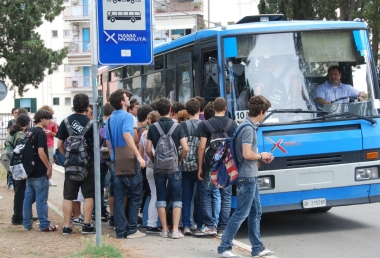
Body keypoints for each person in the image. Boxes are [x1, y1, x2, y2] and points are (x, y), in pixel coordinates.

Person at [217, 95, 274, 258]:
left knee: (256, 212)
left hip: (250, 176)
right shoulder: (248, 128)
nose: (265, 116)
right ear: (261, 111)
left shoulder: (244, 126)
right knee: (242, 213)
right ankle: (224, 247)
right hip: (247, 177)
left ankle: (257, 247)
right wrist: (261, 155)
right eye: (265, 113)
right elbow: (247, 153)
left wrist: (261, 156)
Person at [106, 89, 146, 239]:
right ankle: (132, 229)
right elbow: (127, 135)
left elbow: (109, 142)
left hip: (116, 160)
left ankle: (120, 231)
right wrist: (138, 156)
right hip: (129, 160)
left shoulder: (109, 119)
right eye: (126, 98)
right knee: (136, 194)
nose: (129, 99)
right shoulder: (128, 117)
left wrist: (112, 157)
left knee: (118, 195)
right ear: (122, 102)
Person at [146, 98, 188, 239]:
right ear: (170, 110)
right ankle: (175, 230)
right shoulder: (177, 127)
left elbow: (147, 149)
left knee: (160, 197)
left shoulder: (153, 127)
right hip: (174, 167)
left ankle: (164, 229)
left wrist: (153, 160)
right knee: (177, 197)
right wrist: (180, 159)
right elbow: (186, 148)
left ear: (158, 111)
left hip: (159, 168)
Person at [197, 97, 237, 236]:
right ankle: (223, 227)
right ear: (225, 108)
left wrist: (200, 167)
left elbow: (202, 147)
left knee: (206, 194)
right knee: (226, 195)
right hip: (227, 165)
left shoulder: (206, 124)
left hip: (211, 164)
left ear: (213, 109)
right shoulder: (233, 124)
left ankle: (209, 225)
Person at [57, 94, 96, 235]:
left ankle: (67, 227)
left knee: (68, 195)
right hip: (88, 164)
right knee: (88, 195)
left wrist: (68, 156)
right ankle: (86, 225)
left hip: (71, 164)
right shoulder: (91, 123)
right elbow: (95, 146)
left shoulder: (65, 121)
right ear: (87, 106)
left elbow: (59, 144)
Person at [23, 108, 58, 232]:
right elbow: (41, 152)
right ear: (41, 119)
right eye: (48, 119)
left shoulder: (29, 131)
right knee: (41, 199)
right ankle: (44, 224)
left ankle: (27, 224)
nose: (50, 121)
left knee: (28, 198)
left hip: (29, 170)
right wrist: (48, 167)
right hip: (39, 170)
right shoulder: (41, 133)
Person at [181, 98, 203, 235]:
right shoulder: (203, 125)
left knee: (186, 196)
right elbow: (203, 147)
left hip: (185, 165)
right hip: (199, 165)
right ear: (199, 110)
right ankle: (200, 225)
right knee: (201, 197)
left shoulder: (182, 126)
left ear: (186, 111)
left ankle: (186, 225)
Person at [139, 110, 161, 233]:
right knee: (157, 195)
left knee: (153, 194)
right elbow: (149, 151)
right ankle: (152, 223)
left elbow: (142, 153)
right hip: (158, 166)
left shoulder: (144, 134)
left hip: (148, 167)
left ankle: (151, 221)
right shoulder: (159, 132)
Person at [7, 114, 31, 225]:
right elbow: (21, 149)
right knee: (20, 192)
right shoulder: (20, 134)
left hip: (11, 164)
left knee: (19, 191)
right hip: (18, 166)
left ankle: (21, 215)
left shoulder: (12, 132)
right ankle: (17, 217)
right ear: (27, 124)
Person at [98, 103, 115, 222]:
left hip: (98, 158)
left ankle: (100, 210)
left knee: (99, 185)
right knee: (103, 185)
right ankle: (101, 210)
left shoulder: (98, 123)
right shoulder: (107, 124)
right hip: (105, 159)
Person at [40, 105, 58, 187]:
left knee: (50, 162)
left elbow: (57, 134)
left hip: (49, 145)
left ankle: (49, 179)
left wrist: (50, 133)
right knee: (41, 162)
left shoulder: (53, 123)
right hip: (40, 145)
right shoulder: (38, 123)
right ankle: (42, 178)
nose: (49, 119)